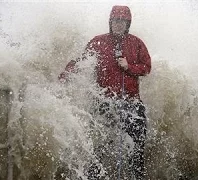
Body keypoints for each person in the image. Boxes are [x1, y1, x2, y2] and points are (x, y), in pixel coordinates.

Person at [59, 5, 151, 180]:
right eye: (116, 20)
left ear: (128, 24)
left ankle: (136, 176)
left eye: (123, 21)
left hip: (132, 103)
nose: (119, 24)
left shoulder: (136, 43)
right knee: (99, 145)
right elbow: (82, 60)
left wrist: (129, 67)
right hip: (104, 102)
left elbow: (147, 68)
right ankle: (94, 176)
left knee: (138, 146)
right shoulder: (98, 41)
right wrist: (65, 75)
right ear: (110, 22)